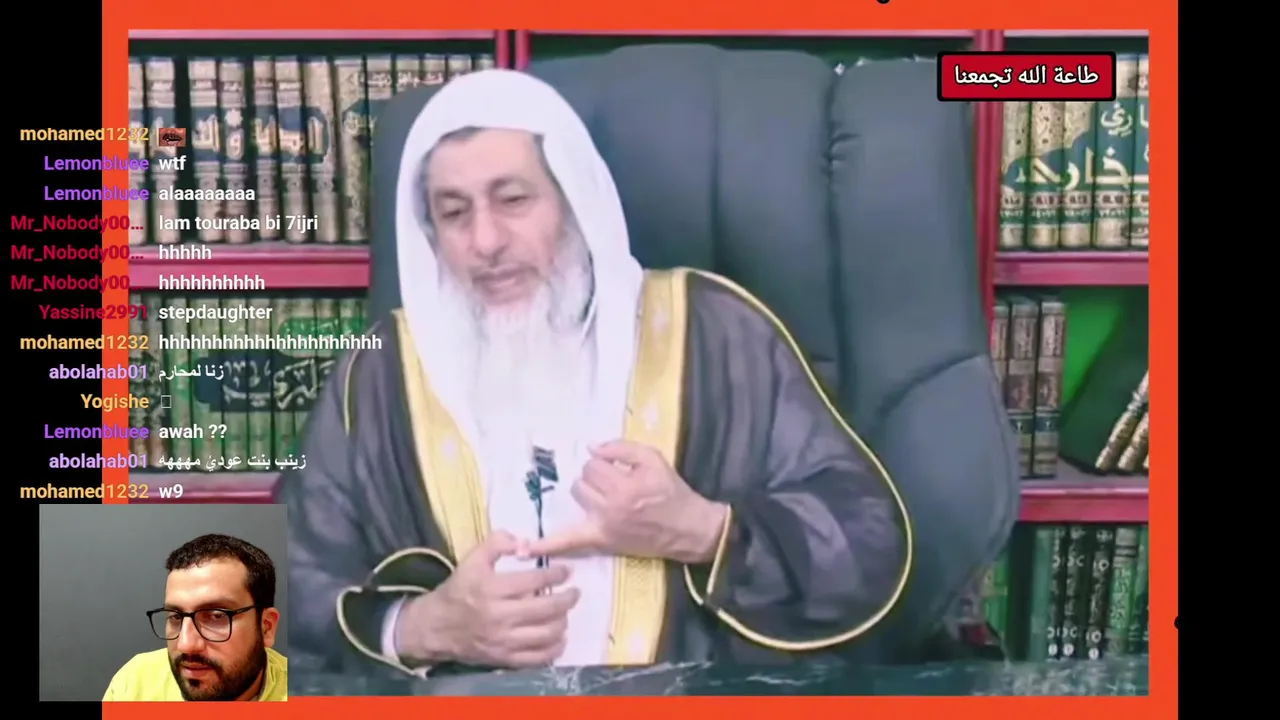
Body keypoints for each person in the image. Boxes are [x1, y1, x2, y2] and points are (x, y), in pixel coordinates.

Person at [279, 69, 912, 677]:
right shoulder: (382, 370)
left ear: (575, 201)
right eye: (453, 212)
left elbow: (866, 540)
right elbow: (282, 580)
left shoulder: (718, 331)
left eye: (513, 200)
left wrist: (701, 530)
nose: (486, 241)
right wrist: (420, 628)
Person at [103, 534, 288, 701]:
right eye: (176, 617)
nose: (186, 645)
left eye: (216, 616)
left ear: (266, 627)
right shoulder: (135, 684)